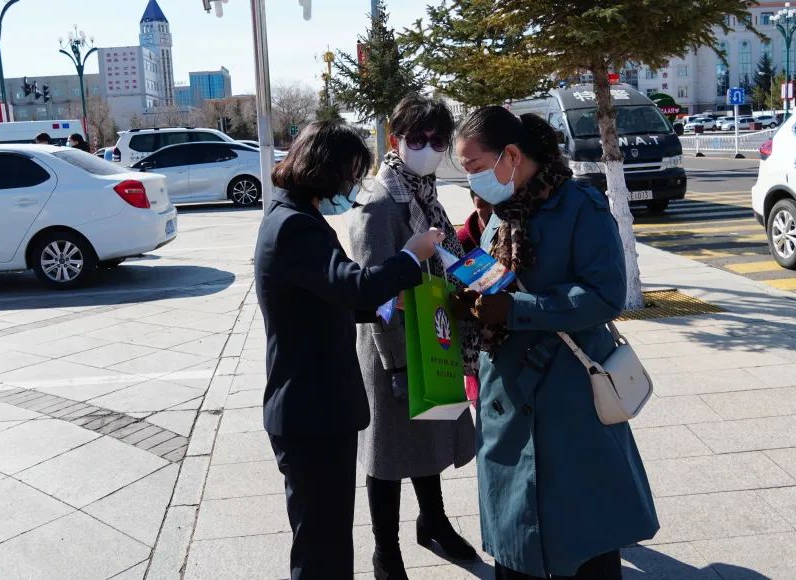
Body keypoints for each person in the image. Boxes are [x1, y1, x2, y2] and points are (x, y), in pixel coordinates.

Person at [452, 108, 659, 580]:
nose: (473, 182)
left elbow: (606, 294)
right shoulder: (502, 211)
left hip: (567, 398)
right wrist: (474, 297)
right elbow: (495, 273)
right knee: (515, 540)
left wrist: (518, 309)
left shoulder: (579, 206)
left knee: (583, 539)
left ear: (511, 155)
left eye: (475, 168)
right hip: (506, 395)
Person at [254, 120, 445, 580]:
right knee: (323, 547)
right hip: (311, 413)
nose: (352, 185)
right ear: (326, 170)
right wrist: (410, 256)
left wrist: (383, 305)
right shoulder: (295, 226)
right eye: (350, 173)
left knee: (328, 538)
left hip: (315, 411)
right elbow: (353, 286)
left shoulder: (292, 217)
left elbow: (328, 298)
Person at [347, 94, 477, 579]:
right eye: (415, 138)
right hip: (393, 347)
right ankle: (387, 551)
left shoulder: (422, 191)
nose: (426, 147)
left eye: (436, 140)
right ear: (394, 138)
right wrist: (397, 362)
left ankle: (434, 521)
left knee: (427, 438)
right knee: (387, 455)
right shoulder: (381, 201)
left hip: (432, 332)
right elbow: (372, 288)